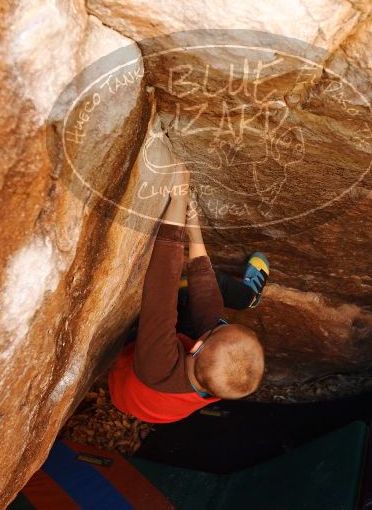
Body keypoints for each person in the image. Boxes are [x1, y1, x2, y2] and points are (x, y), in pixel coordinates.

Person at [108, 164, 269, 423]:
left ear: (196, 345)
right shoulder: (214, 376)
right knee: (208, 289)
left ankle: (246, 296)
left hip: (135, 378)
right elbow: (207, 304)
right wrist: (193, 230)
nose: (217, 323)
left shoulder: (158, 366)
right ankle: (248, 296)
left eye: (219, 327)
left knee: (183, 292)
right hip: (152, 401)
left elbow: (160, 290)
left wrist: (178, 200)